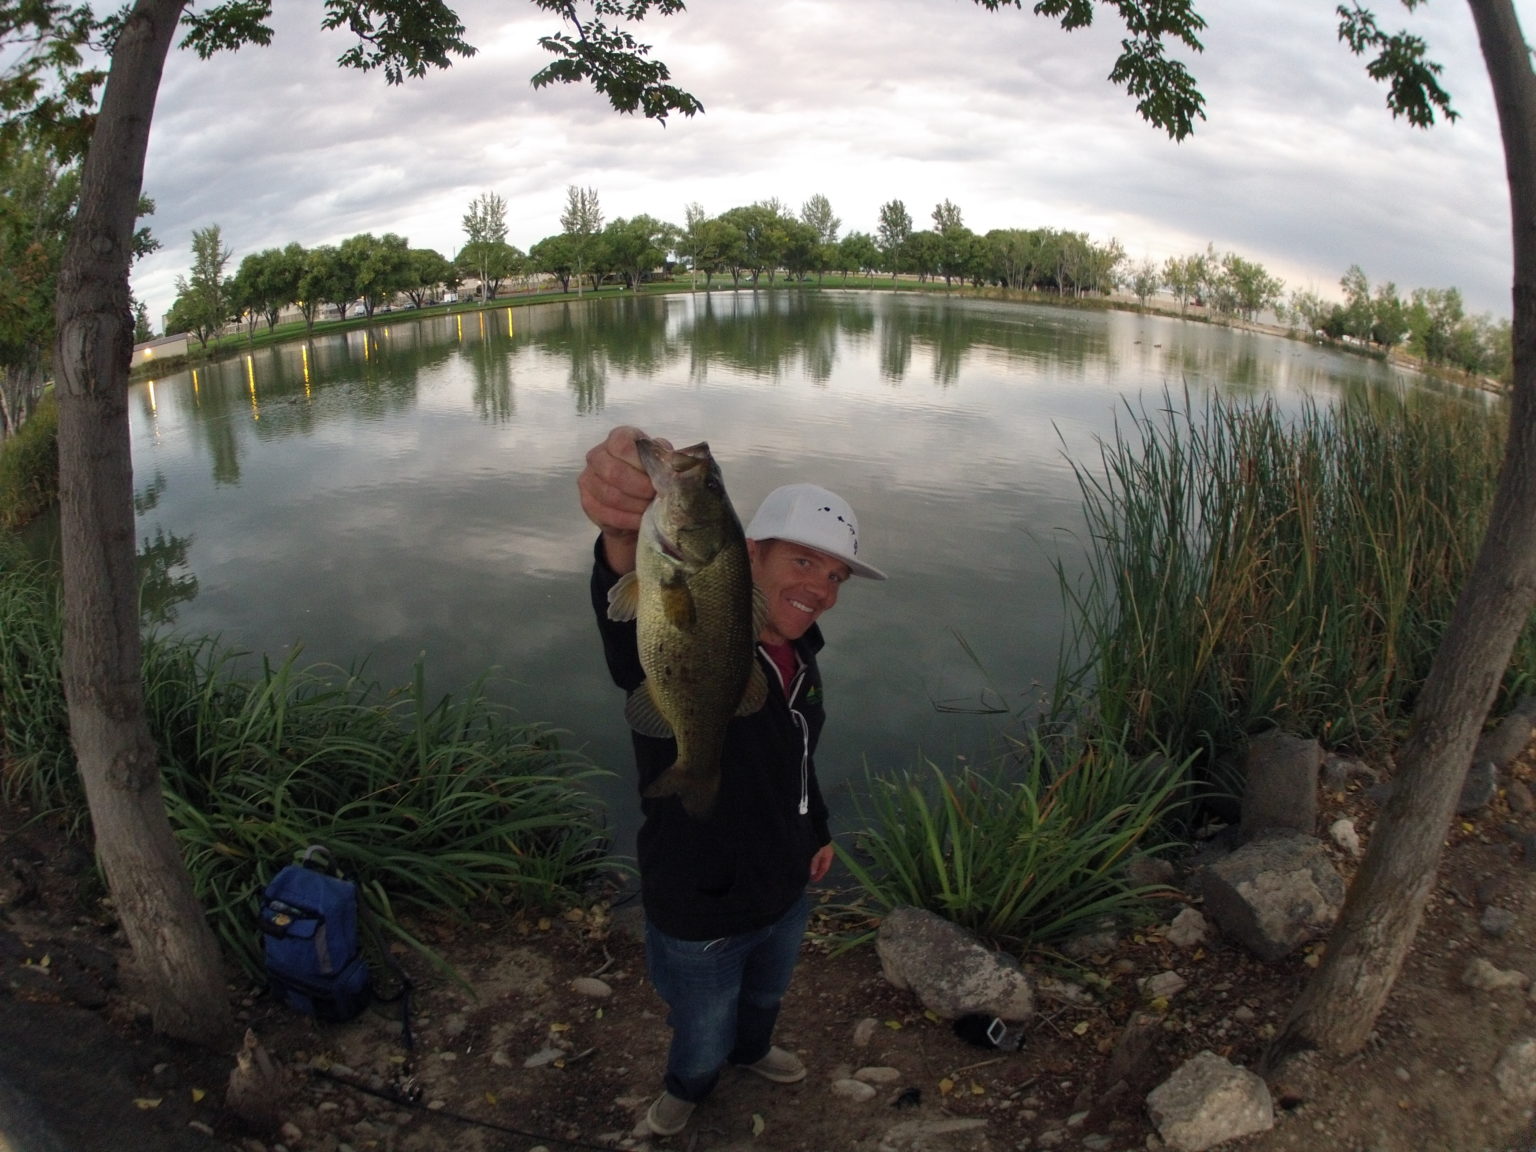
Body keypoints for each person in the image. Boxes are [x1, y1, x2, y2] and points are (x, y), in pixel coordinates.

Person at [577, 425, 886, 1137]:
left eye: (835, 575)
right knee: (702, 1025)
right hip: (699, 908)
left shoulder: (801, 656)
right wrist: (621, 538)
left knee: (765, 999)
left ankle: (753, 1050)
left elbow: (798, 759)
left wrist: (818, 831)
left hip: (785, 892)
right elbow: (631, 643)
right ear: (747, 552)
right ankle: (688, 1085)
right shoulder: (703, 619)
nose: (820, 587)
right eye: (803, 560)